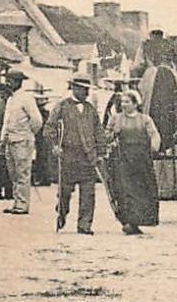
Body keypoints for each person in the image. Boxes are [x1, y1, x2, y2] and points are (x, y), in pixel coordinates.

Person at [45, 77, 103, 234]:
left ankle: (84, 225)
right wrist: (55, 145)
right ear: (74, 88)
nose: (87, 92)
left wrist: (100, 153)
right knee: (65, 192)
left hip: (87, 157)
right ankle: (61, 214)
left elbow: (98, 131)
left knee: (88, 193)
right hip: (68, 156)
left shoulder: (90, 109)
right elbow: (49, 128)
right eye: (83, 89)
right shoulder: (62, 107)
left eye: (87, 89)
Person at [103, 89, 162, 235]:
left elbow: (154, 135)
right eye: (122, 102)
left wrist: (154, 147)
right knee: (125, 191)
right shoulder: (116, 119)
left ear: (135, 103)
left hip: (141, 161)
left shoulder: (145, 119)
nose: (123, 104)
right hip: (122, 160)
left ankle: (138, 221)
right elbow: (106, 136)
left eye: (127, 102)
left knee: (141, 191)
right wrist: (112, 134)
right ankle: (128, 221)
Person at [0, 70, 42, 215]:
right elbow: (7, 120)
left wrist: (27, 134)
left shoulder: (26, 98)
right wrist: (3, 137)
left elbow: (37, 120)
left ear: (18, 82)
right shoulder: (11, 99)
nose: (7, 83)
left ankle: (23, 205)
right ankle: (17, 202)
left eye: (10, 80)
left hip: (22, 140)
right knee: (13, 173)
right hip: (10, 140)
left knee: (22, 172)